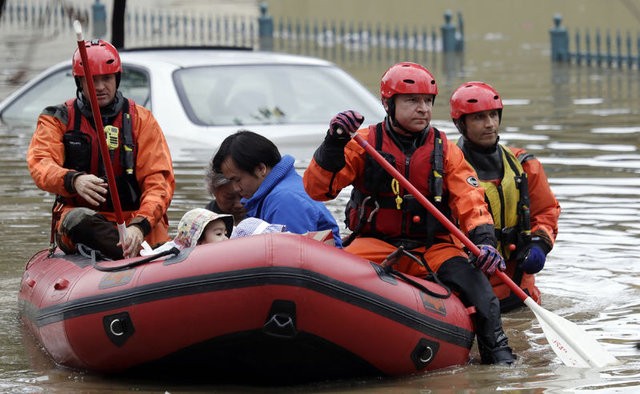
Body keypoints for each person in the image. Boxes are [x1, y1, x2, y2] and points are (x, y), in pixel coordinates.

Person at [303, 62, 516, 365]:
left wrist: (483, 241)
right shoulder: (363, 143)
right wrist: (333, 143)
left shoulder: (446, 149)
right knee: (336, 283)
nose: (423, 109)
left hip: (434, 247)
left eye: (427, 101)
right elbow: (317, 190)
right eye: (412, 101)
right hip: (376, 244)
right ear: (389, 104)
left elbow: (471, 201)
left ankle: (499, 359)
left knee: (483, 295)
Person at [26, 39, 175, 260]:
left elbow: (159, 182)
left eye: (106, 78)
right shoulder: (57, 118)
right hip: (84, 223)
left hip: (136, 224)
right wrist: (73, 180)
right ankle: (129, 253)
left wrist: (139, 225)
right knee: (77, 219)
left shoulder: (141, 120)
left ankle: (135, 249)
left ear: (117, 78)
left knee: (147, 225)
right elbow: (40, 163)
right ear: (79, 82)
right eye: (91, 80)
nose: (99, 87)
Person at [450, 81, 560, 312]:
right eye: (479, 118)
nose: (489, 124)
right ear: (461, 124)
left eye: (493, 115)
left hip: (519, 284)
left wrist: (539, 245)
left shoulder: (524, 165)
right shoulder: (447, 168)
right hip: (469, 283)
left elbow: (546, 212)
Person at [211, 130, 343, 247]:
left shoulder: (285, 200)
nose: (235, 188)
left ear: (260, 169)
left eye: (237, 180)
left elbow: (292, 260)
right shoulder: (274, 195)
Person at [141, 208, 233, 255]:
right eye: (218, 234)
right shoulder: (174, 253)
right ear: (199, 240)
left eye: (225, 233)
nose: (226, 238)